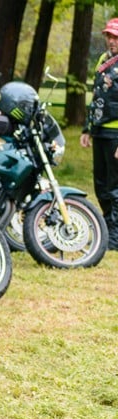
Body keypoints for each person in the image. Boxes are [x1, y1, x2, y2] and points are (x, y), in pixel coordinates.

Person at [81, 18, 118, 250]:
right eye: (109, 36)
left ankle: (115, 236)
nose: (111, 41)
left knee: (116, 187)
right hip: (101, 131)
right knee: (101, 184)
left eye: (116, 37)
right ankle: (107, 225)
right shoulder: (104, 60)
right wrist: (87, 128)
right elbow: (97, 98)